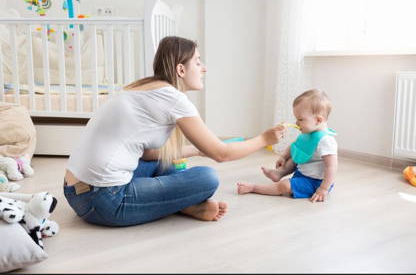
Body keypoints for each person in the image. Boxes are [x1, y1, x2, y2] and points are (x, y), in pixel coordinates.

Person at [63, 36, 286, 226]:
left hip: (75, 192)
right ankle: (184, 204)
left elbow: (148, 155)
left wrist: (198, 151)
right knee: (206, 178)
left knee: (165, 162)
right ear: (181, 69)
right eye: (197, 62)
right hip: (103, 202)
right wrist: (264, 138)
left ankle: (184, 205)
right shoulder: (173, 98)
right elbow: (222, 153)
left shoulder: (142, 88)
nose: (204, 68)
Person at [237, 89, 338, 202]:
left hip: (315, 182)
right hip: (302, 173)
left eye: (300, 119)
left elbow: (331, 167)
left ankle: (254, 188)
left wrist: (323, 189)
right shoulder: (309, 133)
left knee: (284, 186)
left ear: (318, 120)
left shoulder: (326, 141)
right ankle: (279, 173)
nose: (296, 123)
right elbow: (295, 146)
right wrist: (284, 157)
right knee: (294, 158)